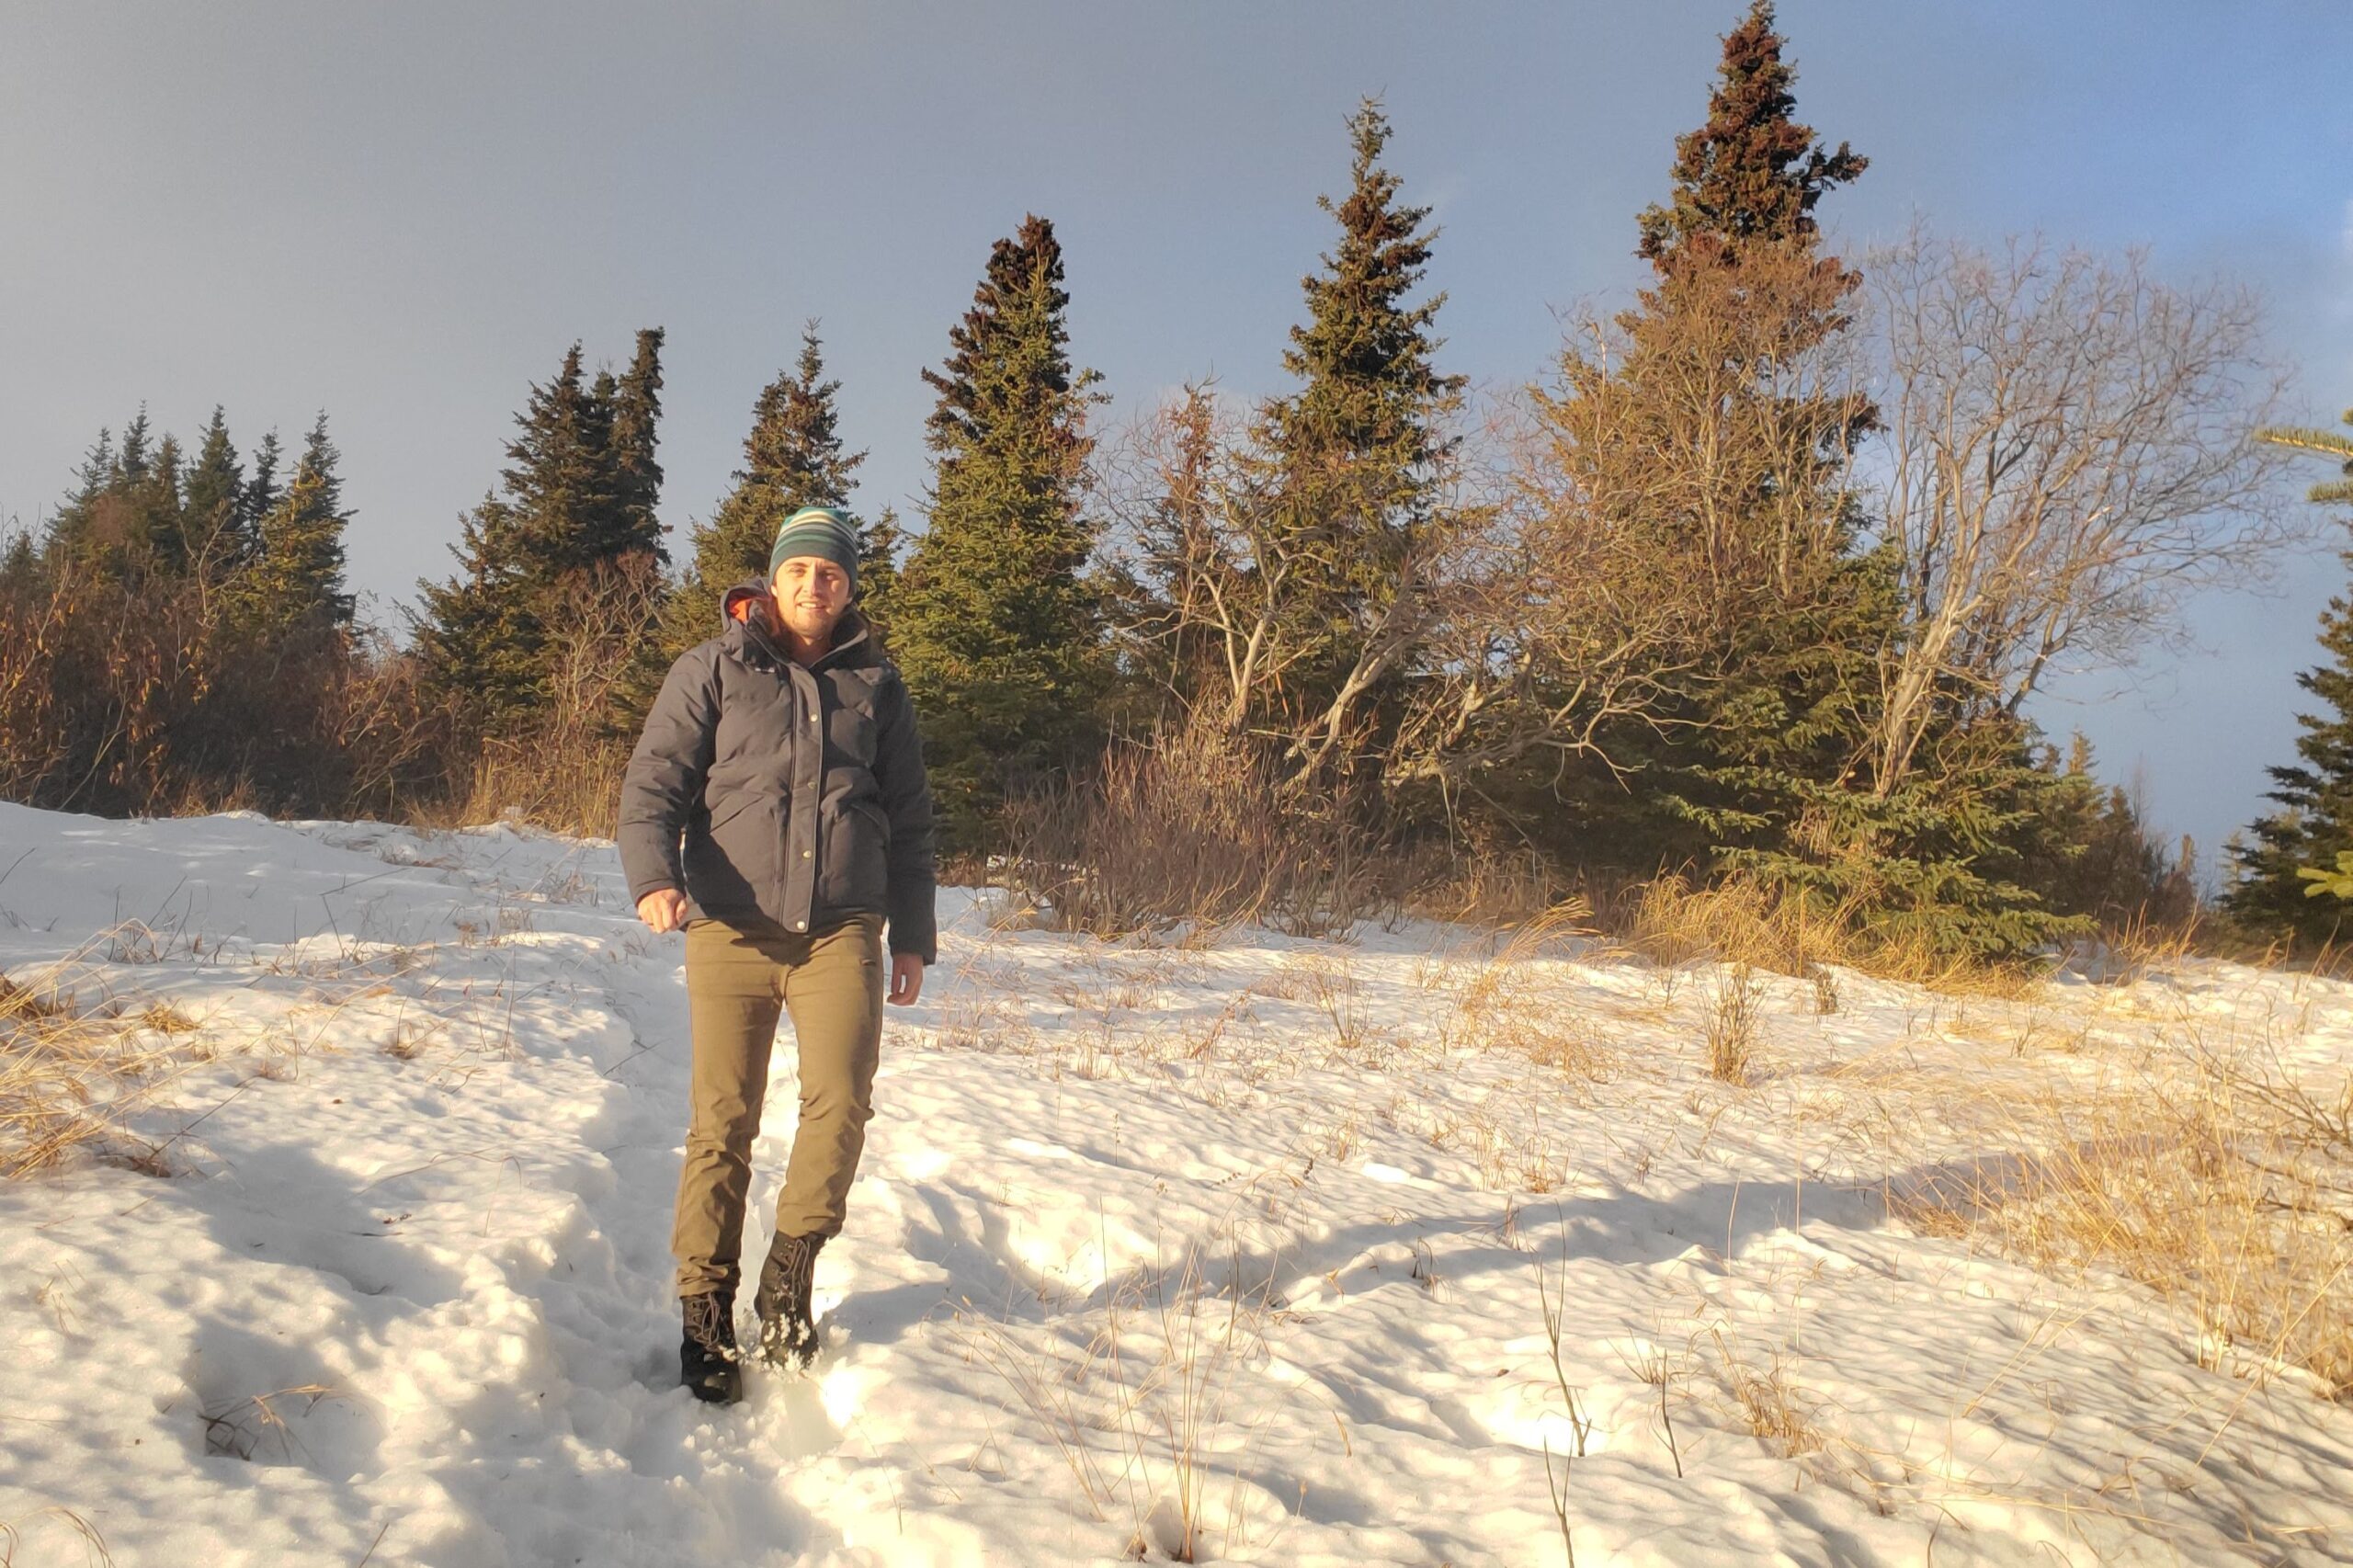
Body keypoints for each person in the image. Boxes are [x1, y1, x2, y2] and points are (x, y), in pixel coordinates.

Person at [619, 505, 937, 1404]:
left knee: (841, 1101)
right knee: (723, 1122)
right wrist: (653, 876)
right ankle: (704, 1312)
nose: (813, 584)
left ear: (848, 586)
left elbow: (909, 818)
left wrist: (912, 932)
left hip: (841, 927)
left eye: (830, 572)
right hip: (728, 925)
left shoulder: (878, 683)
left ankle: (788, 1270)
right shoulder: (711, 667)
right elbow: (654, 784)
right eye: (798, 569)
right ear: (770, 578)